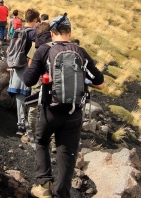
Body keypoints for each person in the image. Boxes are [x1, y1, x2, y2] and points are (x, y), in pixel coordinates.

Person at [24, 14, 105, 198]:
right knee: (67, 153)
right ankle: (62, 194)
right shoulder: (81, 52)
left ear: (52, 33)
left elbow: (28, 80)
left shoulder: (44, 50)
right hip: (74, 113)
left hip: (49, 111)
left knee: (42, 141)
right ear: (69, 32)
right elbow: (99, 80)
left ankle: (44, 185)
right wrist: (82, 79)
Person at [6, 8, 39, 135]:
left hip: (16, 66)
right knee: (31, 97)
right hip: (28, 66)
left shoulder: (18, 31)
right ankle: (29, 125)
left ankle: (20, 125)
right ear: (35, 20)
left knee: (20, 97)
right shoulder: (33, 34)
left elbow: (9, 49)